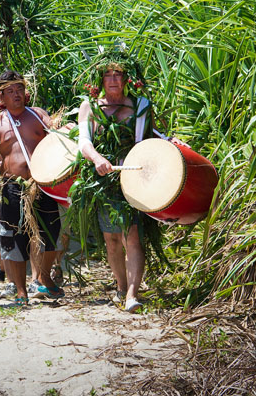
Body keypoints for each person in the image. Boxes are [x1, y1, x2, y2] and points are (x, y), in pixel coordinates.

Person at [76, 51, 185, 313]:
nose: (113, 79)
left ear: (127, 79)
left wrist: (170, 144)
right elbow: (83, 141)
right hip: (103, 179)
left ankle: (133, 295)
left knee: (132, 236)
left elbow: (146, 139)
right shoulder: (89, 107)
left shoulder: (140, 106)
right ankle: (121, 286)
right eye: (108, 74)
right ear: (100, 79)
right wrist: (97, 159)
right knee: (111, 239)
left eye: (118, 74)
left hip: (134, 175)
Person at [0, 71, 64, 305]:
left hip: (42, 185)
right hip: (12, 187)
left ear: (26, 92)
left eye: (19, 90)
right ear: (0, 96)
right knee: (14, 238)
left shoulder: (38, 115)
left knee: (50, 234)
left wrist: (64, 127)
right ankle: (21, 291)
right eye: (10, 91)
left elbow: (57, 136)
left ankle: (43, 277)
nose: (16, 95)